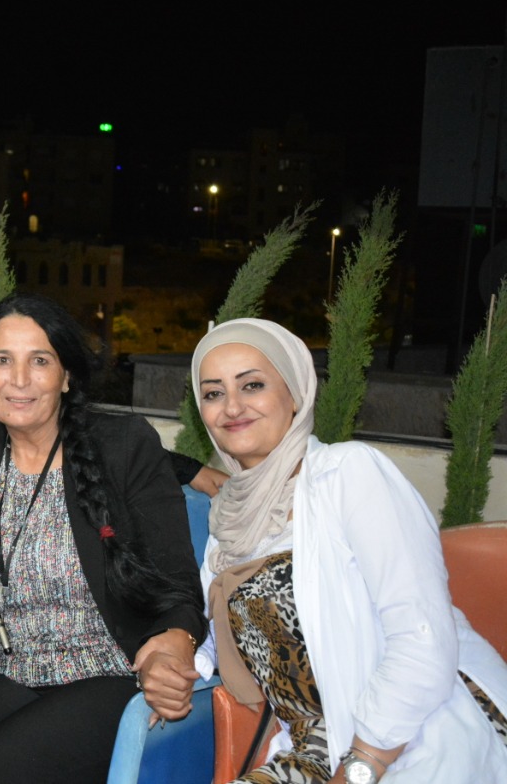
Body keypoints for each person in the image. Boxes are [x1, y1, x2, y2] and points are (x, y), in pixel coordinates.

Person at [0, 293, 207, 783]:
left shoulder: (123, 447)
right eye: (3, 361)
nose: (19, 379)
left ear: (66, 376)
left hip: (109, 672)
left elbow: (180, 586)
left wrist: (174, 643)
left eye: (40, 361)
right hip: (8, 671)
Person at [191, 318, 507, 783]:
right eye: (213, 393)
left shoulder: (348, 474)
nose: (232, 406)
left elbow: (422, 637)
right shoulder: (229, 518)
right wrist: (179, 662)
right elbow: (226, 630)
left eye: (252, 385)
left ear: (295, 393)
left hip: (413, 740)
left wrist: (362, 764)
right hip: (312, 749)